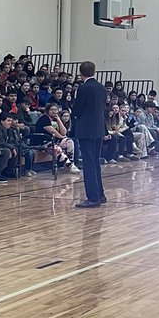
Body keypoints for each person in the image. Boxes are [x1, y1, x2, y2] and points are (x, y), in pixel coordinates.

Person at [72, 60, 107, 208]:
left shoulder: (84, 88)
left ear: (80, 73)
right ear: (94, 71)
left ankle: (92, 197)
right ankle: (100, 194)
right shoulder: (101, 87)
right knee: (95, 162)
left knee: (88, 163)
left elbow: (77, 110)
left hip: (87, 130)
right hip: (99, 128)